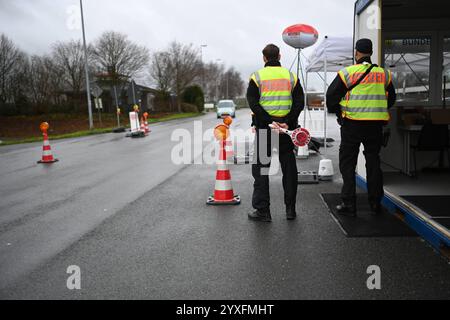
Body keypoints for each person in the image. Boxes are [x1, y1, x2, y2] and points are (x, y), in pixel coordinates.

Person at [326, 38, 396, 217]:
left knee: (348, 164)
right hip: (375, 126)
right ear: (370, 53)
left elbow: (331, 97)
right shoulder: (384, 74)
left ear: (356, 53)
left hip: (352, 125)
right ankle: (375, 202)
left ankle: (349, 203)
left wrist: (340, 114)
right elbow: (391, 99)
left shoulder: (348, 73)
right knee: (373, 162)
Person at [246, 44, 305, 222]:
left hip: (265, 129)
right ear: (279, 56)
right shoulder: (291, 76)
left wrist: (269, 121)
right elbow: (299, 102)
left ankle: (263, 211)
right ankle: (290, 210)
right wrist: (287, 121)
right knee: (289, 169)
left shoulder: (257, 77)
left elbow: (253, 103)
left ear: (264, 58)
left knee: (261, 170)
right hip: (287, 130)